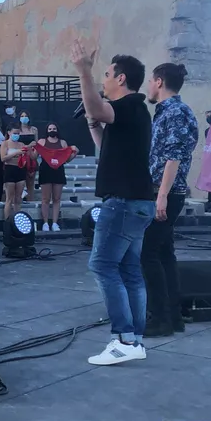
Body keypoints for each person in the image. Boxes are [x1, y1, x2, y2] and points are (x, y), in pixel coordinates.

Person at [72, 40, 154, 366]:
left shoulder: (131, 104)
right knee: (129, 270)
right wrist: (93, 122)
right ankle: (135, 340)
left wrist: (83, 71)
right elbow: (104, 140)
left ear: (121, 79)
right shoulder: (133, 112)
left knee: (103, 265)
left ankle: (123, 338)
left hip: (121, 203)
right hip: (135, 202)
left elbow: (97, 109)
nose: (103, 80)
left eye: (107, 74)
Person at [142, 63, 198, 337]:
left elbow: (173, 156)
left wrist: (161, 195)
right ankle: (173, 317)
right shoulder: (169, 111)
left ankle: (159, 319)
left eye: (151, 81)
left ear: (160, 81)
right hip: (166, 191)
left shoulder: (175, 111)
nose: (148, 86)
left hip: (165, 192)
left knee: (147, 253)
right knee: (164, 253)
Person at [37, 123, 75, 232]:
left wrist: (75, 153)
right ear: (47, 130)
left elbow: (67, 159)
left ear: (57, 130)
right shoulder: (42, 142)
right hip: (45, 170)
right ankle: (45, 223)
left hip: (58, 170)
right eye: (50, 128)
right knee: (45, 198)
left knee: (57, 198)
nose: (52, 130)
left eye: (54, 128)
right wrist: (31, 148)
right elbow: (35, 156)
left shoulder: (62, 142)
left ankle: (54, 223)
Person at [0, 122, 28, 220]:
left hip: (20, 169)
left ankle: (18, 220)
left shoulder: (21, 144)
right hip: (10, 169)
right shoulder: (5, 143)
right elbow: (3, 158)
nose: (16, 135)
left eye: (18, 133)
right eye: (14, 133)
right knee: (9, 198)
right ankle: (7, 221)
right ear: (9, 132)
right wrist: (16, 152)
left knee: (18, 198)